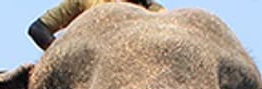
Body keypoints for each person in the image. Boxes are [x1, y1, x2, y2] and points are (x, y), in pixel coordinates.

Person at [27, 0, 164, 50]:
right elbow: (38, 29)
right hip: (88, 73)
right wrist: (62, 57)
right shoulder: (88, 1)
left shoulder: (156, 12)